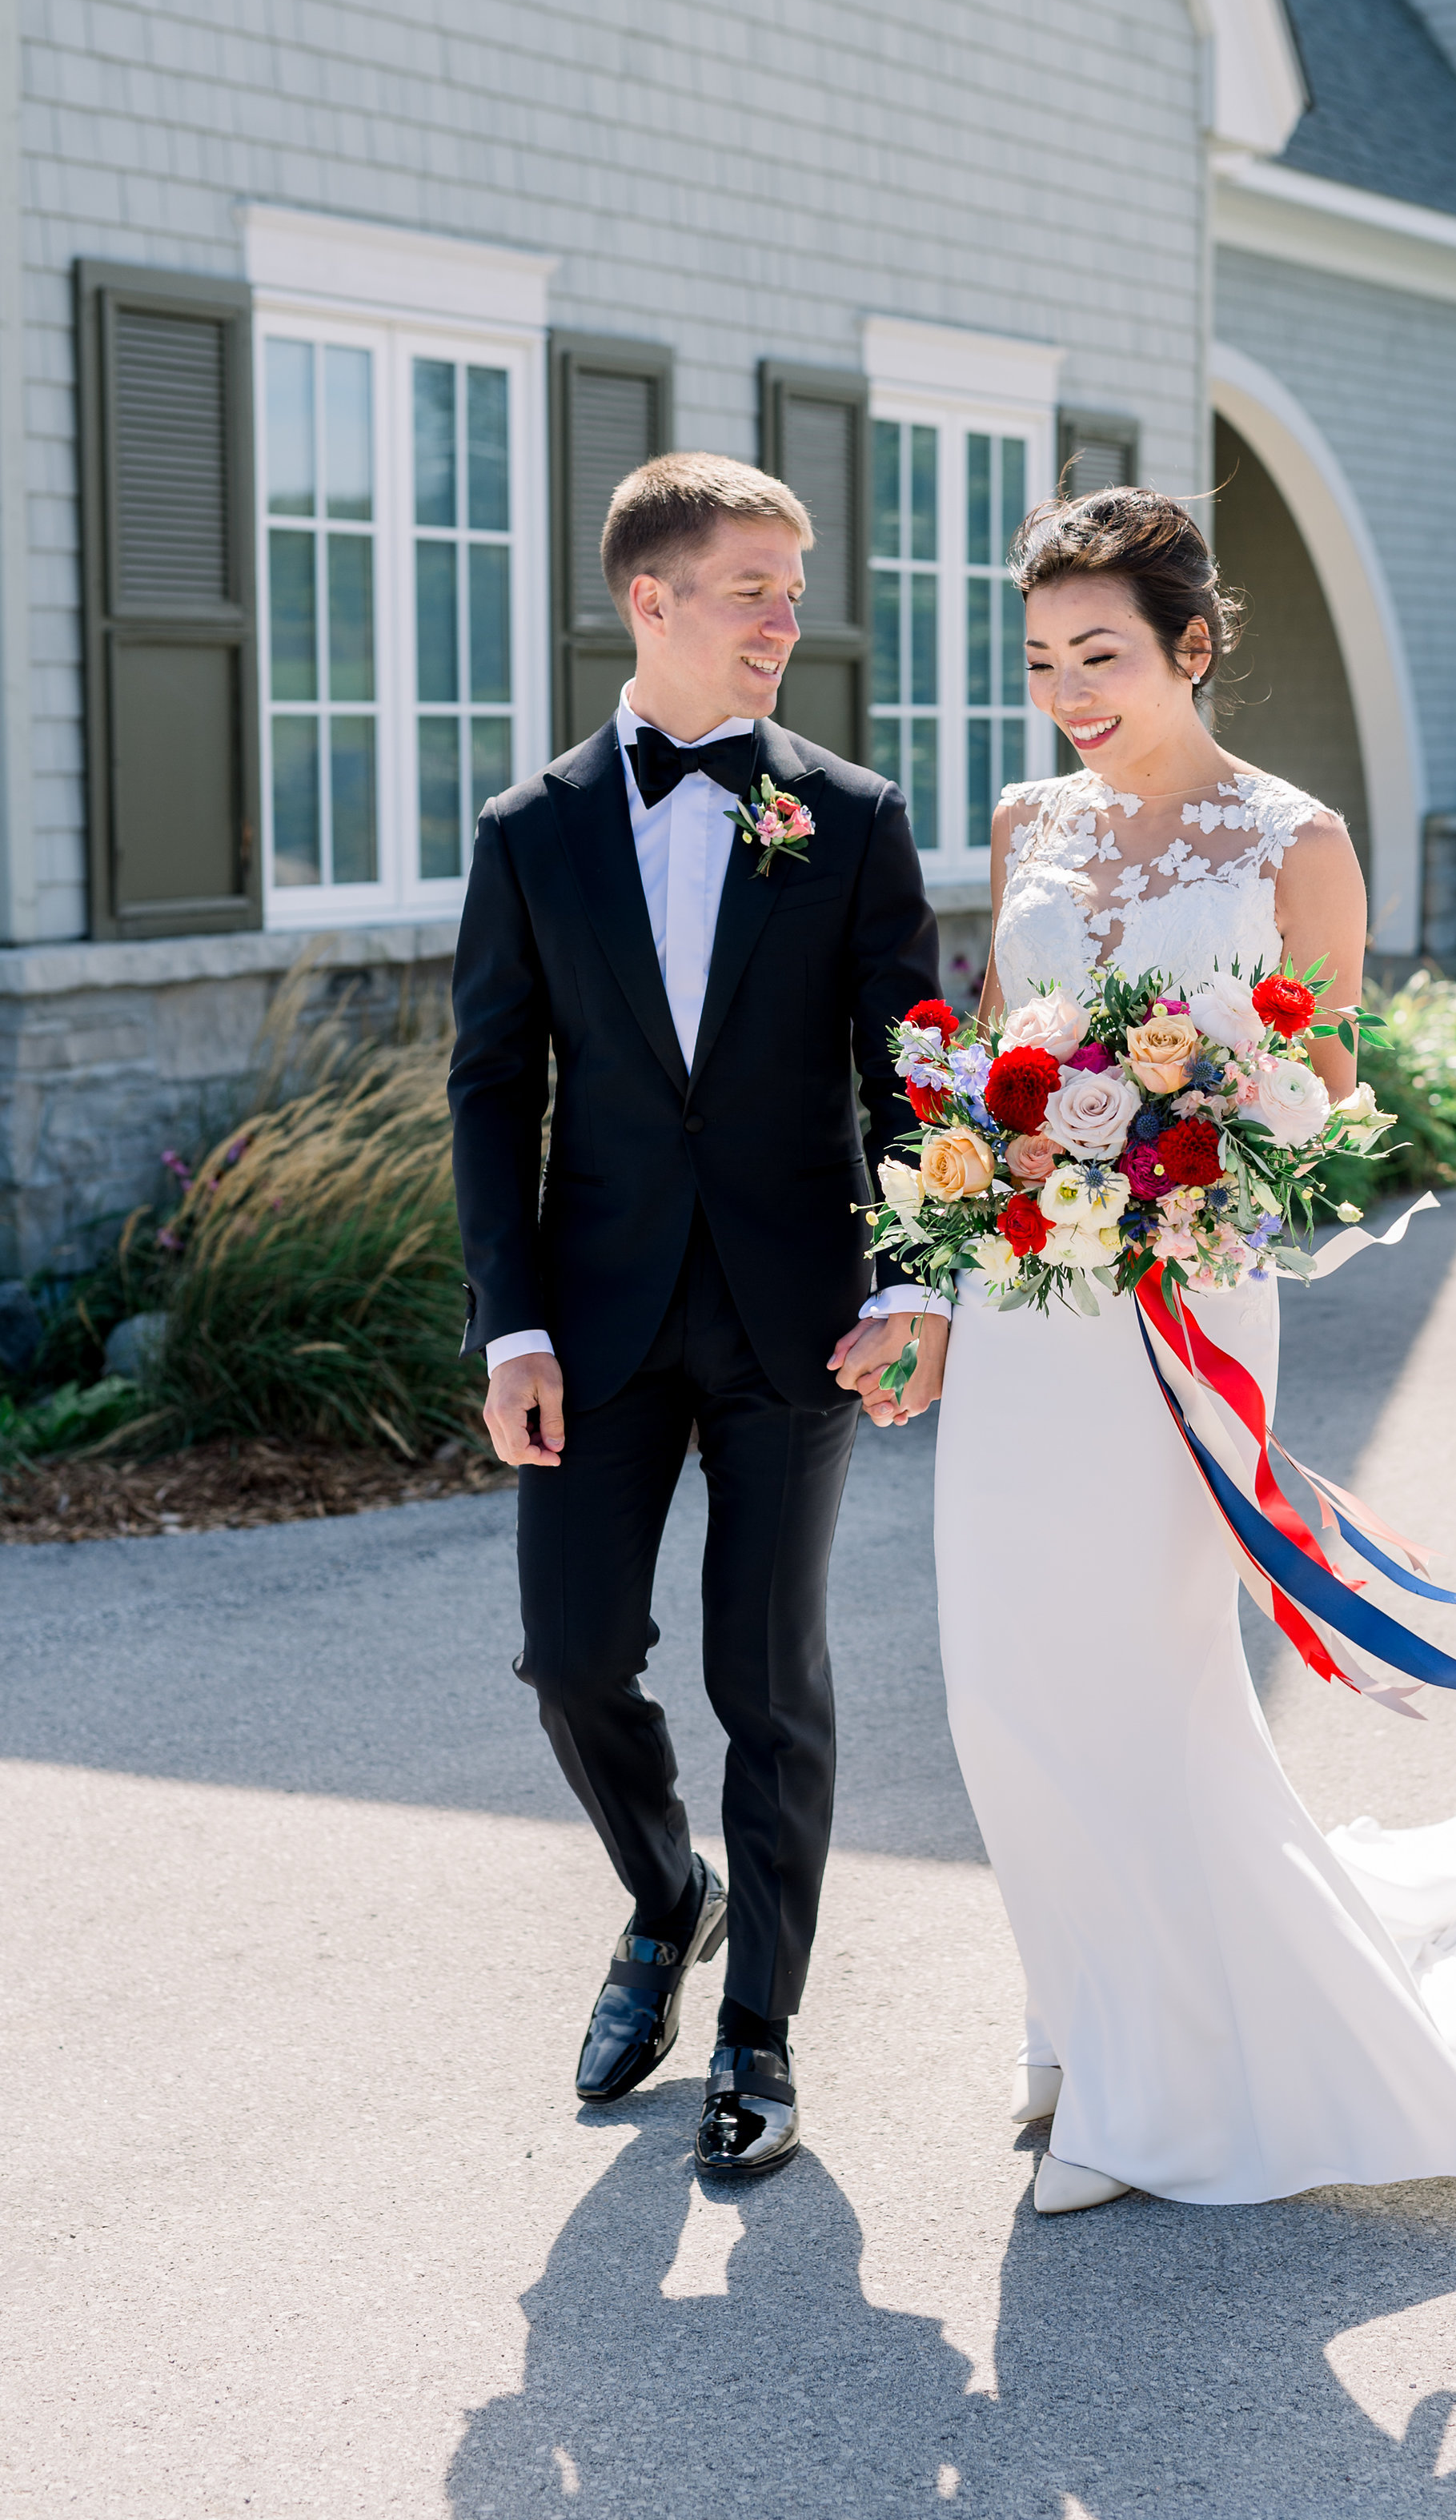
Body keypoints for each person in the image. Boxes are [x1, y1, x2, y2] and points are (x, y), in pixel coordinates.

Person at [888, 486, 1456, 2216]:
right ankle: (1071, 2010)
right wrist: (1004, 1159)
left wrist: (1185, 1131)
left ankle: (1165, 2082)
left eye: (1104, 653)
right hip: (1027, 1287)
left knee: (1139, 1669)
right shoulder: (1025, 821)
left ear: (1190, 648)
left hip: (1187, 1292)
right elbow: (995, 1044)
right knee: (1001, 1673)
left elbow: (1329, 1097)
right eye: (1045, 655)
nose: (1069, 687)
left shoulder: (1294, 840)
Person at [449, 452, 947, 2181]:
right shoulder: (530, 835)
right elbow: (491, 1087)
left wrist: (912, 1276)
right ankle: (669, 1900)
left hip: (798, 1315)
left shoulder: (851, 817)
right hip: (589, 1323)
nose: (783, 621)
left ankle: (760, 2036)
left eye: (792, 590)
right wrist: (510, 1329)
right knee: (571, 1661)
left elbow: (913, 1075)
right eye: (752, 587)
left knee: (771, 1679)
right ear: (649, 599)